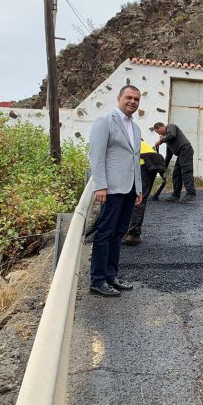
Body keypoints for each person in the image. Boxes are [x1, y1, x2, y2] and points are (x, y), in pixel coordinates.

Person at [88, 84, 143, 297]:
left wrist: (138, 188)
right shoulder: (105, 122)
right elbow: (96, 155)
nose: (132, 102)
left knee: (119, 233)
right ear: (119, 98)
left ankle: (111, 275)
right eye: (129, 97)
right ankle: (98, 280)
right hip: (110, 189)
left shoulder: (136, 128)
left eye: (136, 99)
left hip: (129, 189)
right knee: (105, 233)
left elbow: (135, 159)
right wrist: (100, 185)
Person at [122, 140, 166, 246]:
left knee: (138, 199)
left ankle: (133, 235)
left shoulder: (122, 138)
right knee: (130, 197)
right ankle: (125, 232)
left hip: (145, 164)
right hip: (146, 161)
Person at [154, 122, 196, 203]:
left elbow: (172, 135)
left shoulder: (170, 126)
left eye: (157, 131)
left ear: (160, 127)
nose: (158, 133)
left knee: (186, 172)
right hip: (181, 154)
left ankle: (191, 194)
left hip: (185, 150)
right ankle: (175, 196)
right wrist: (163, 168)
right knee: (176, 174)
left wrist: (161, 141)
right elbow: (168, 156)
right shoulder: (168, 140)